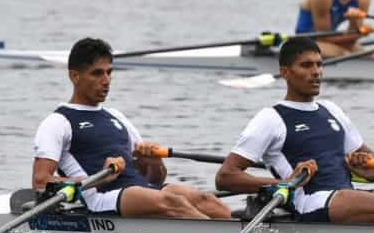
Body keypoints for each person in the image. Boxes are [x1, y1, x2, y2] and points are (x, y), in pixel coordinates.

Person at [215, 37, 374, 226]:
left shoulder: (331, 110)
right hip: (310, 200)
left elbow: (372, 169)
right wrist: (283, 183)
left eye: (320, 65)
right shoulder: (271, 118)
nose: (317, 72)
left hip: (345, 196)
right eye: (306, 65)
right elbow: (225, 177)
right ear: (285, 72)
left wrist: (365, 167)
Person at [32, 37, 231, 219]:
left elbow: (155, 178)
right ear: (75, 76)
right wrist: (98, 179)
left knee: (207, 200)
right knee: (174, 202)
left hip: (141, 191)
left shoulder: (116, 117)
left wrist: (154, 162)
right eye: (97, 73)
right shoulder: (58, 122)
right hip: (101, 197)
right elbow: (41, 182)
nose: (106, 81)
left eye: (109, 72)